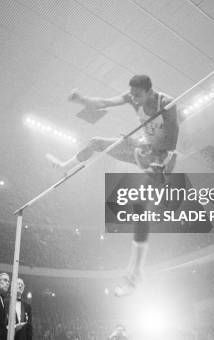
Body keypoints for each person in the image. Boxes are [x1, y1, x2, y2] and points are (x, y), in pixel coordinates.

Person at [46, 75, 179, 297]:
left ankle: (136, 272)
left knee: (140, 208)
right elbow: (104, 103)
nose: (134, 99)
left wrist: (143, 147)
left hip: (161, 161)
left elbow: (171, 142)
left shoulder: (166, 103)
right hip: (142, 150)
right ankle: (65, 166)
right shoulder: (132, 97)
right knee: (96, 142)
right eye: (132, 94)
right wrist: (82, 99)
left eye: (138, 95)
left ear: (149, 91)